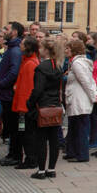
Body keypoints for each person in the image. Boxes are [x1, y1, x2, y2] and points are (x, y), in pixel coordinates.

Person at [28, 35, 66, 179]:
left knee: (41, 139)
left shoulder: (41, 67)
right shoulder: (58, 66)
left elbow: (37, 89)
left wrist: (30, 103)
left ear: (45, 50)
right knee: (54, 139)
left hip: (42, 106)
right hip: (55, 105)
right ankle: (51, 169)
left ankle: (41, 170)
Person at [0, 22, 25, 165]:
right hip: (4, 93)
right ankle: (11, 154)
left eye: (7, 29)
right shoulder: (11, 49)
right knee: (10, 126)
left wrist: (1, 84)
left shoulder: (15, 51)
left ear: (15, 32)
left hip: (8, 94)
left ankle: (15, 156)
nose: (5, 30)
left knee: (13, 126)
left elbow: (13, 72)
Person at [12, 35, 42, 170]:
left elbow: (27, 88)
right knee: (26, 132)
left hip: (26, 107)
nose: (20, 46)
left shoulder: (30, 64)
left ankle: (31, 159)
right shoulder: (29, 61)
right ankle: (30, 158)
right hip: (25, 105)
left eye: (22, 44)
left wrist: (23, 107)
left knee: (28, 133)